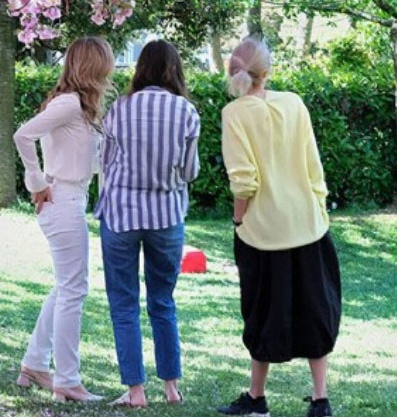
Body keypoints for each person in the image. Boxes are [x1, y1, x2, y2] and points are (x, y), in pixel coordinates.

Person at [216, 37, 342, 417]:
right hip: (308, 227)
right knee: (315, 310)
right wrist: (318, 209)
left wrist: (239, 219)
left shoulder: (234, 113)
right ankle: (320, 400)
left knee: (261, 312)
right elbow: (313, 166)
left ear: (232, 72)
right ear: (266, 72)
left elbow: (244, 182)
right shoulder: (294, 103)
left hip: (261, 233)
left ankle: (257, 398)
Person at [96, 40, 200, 408]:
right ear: (175, 69)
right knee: (163, 301)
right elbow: (189, 172)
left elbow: (105, 163)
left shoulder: (118, 110)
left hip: (121, 214)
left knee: (123, 302)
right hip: (166, 216)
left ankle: (135, 391)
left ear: (140, 68)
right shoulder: (187, 112)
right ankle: (171, 387)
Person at [12, 37, 115, 403]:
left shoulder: (81, 107)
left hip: (71, 198)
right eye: (106, 63)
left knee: (64, 287)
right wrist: (36, 182)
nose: (111, 70)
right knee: (74, 290)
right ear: (93, 66)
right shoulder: (70, 104)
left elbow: (93, 161)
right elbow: (23, 135)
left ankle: (34, 364)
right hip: (62, 199)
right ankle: (66, 380)